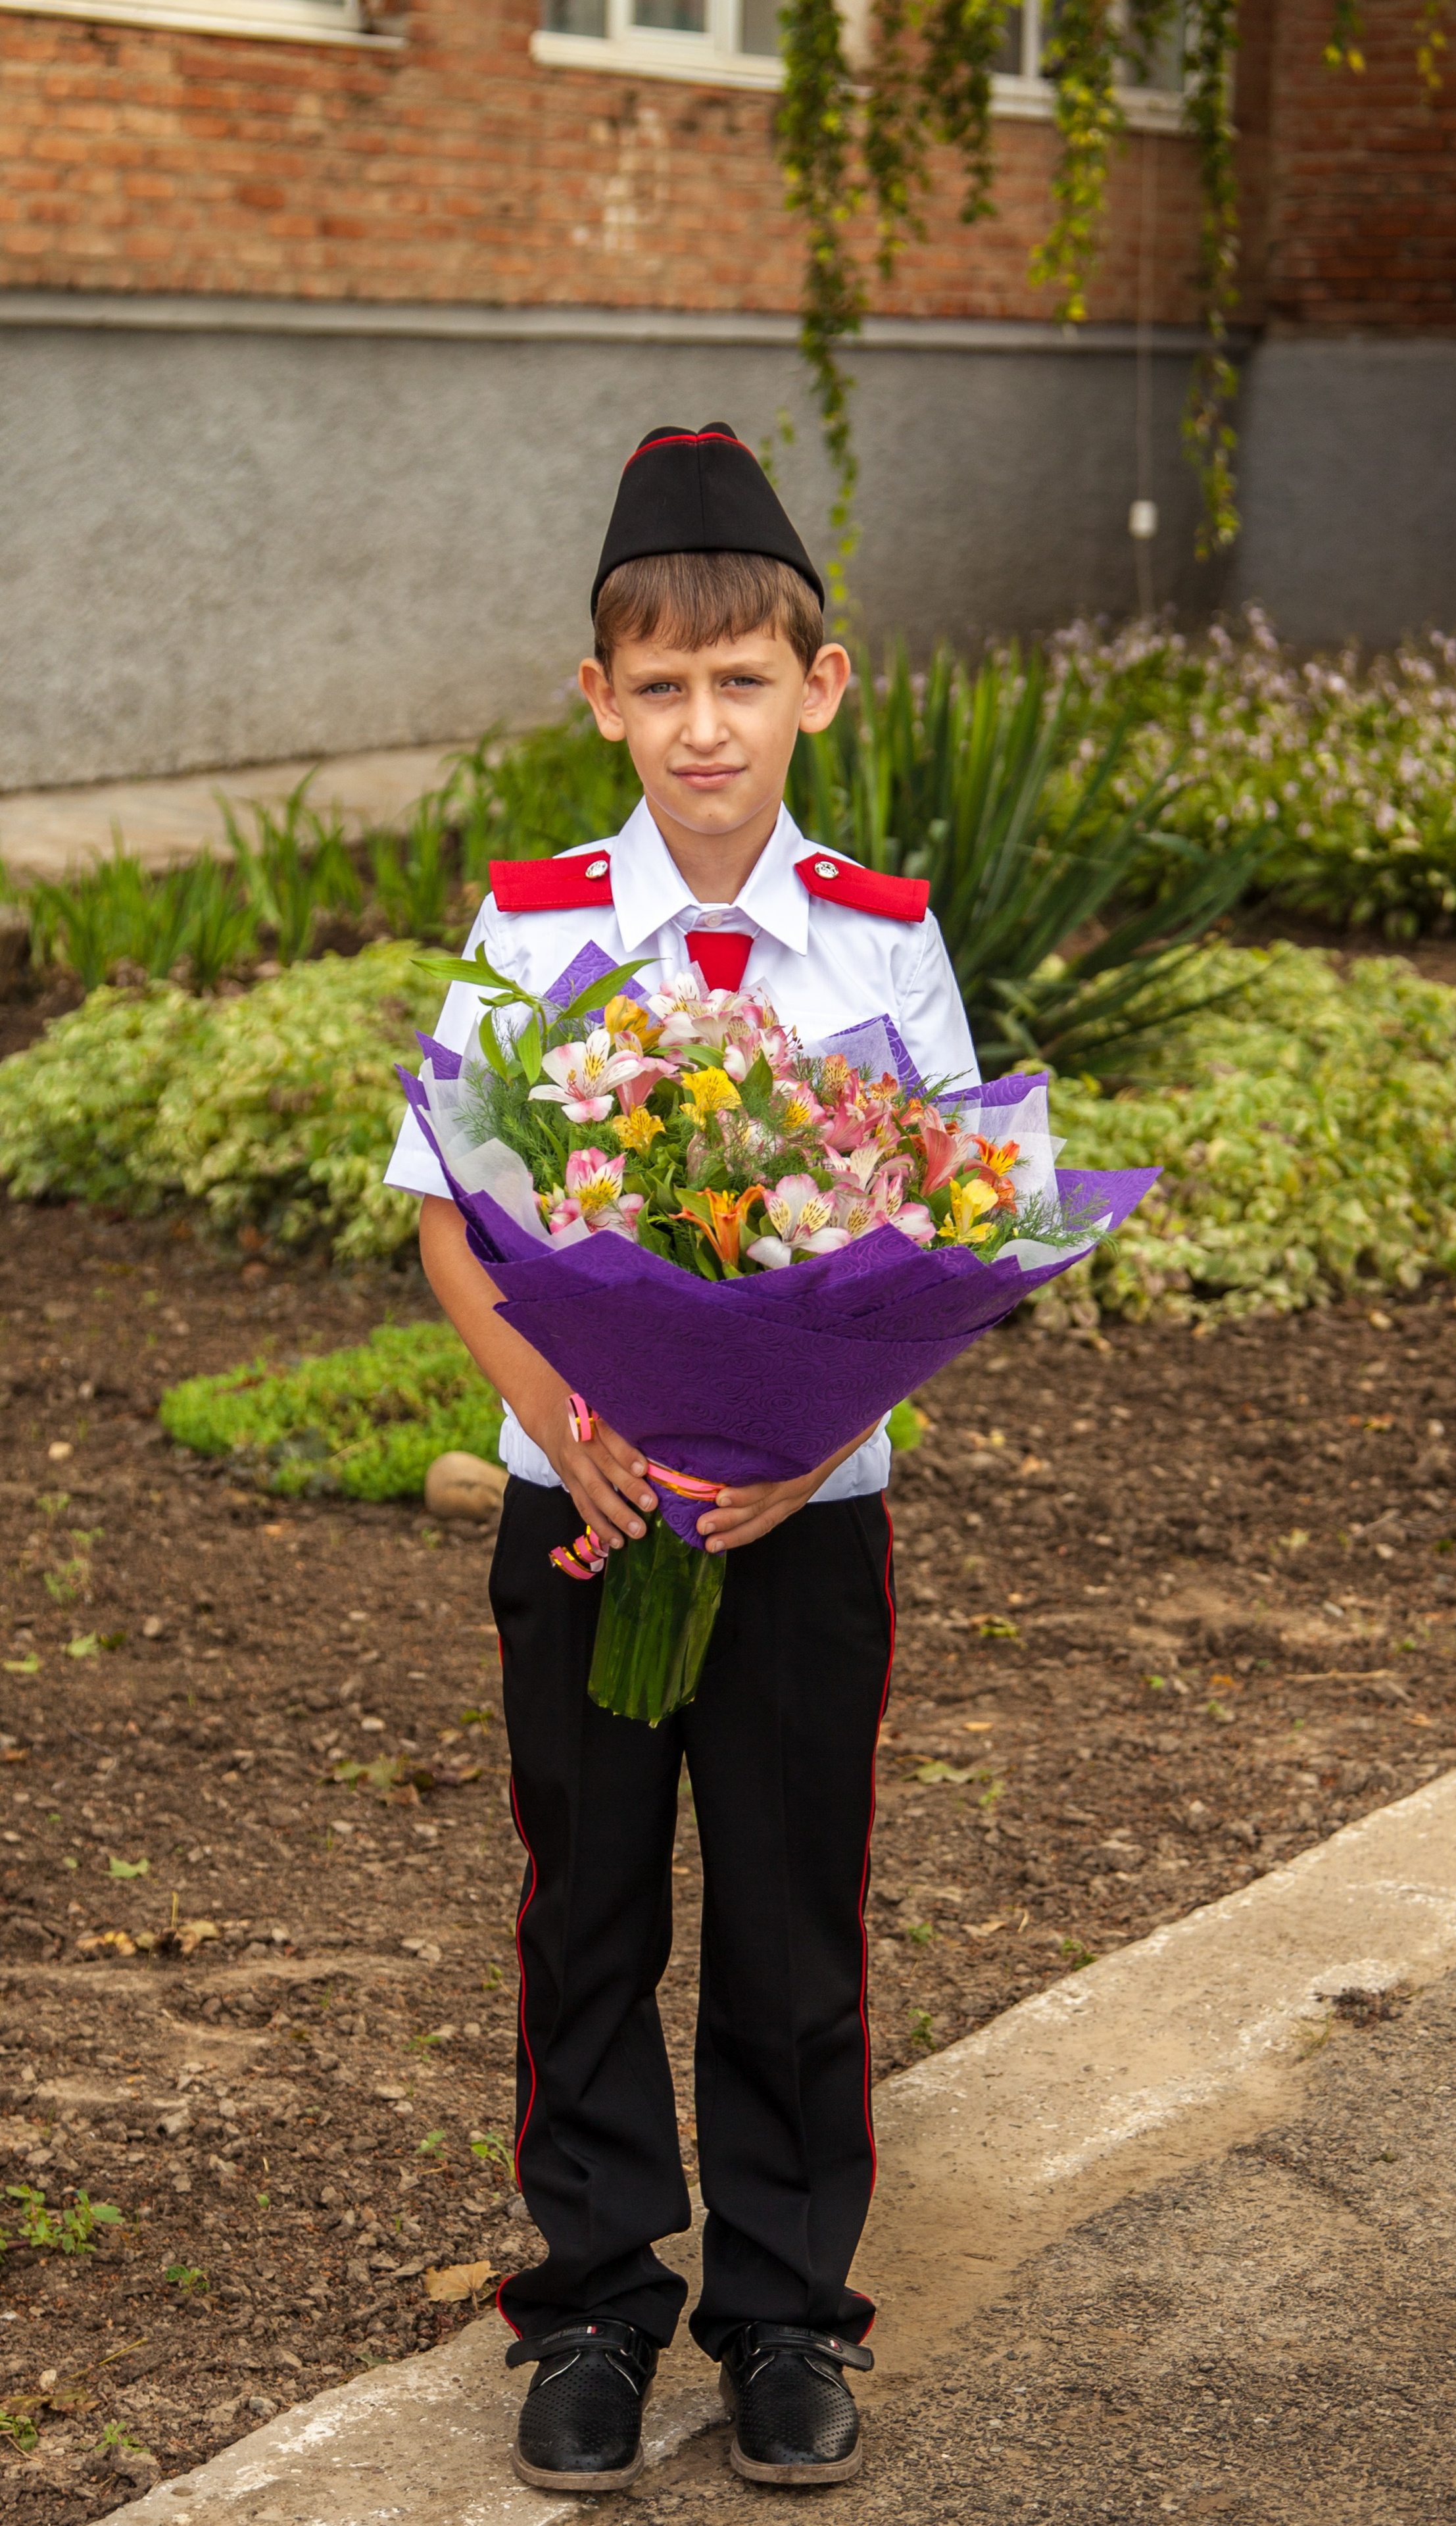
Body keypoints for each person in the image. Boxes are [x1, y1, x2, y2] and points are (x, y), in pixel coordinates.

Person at [385, 424, 979, 2494]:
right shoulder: (536, 919)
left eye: (743, 681)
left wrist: (812, 1447)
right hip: (591, 1507)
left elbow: (946, 1228)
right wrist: (566, 1420)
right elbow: (455, 1209)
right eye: (660, 685)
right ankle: (600, 2308)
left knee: (800, 1917)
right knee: (593, 1904)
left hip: (808, 1526)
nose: (701, 725)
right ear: (600, 700)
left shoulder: (883, 935)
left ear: (821, 684)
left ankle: (790, 2316)